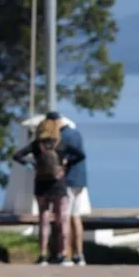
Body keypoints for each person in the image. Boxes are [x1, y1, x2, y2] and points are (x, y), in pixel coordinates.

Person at [12, 117, 85, 266]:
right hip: (59, 185)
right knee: (63, 220)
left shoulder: (36, 145)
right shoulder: (62, 144)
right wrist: (66, 165)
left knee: (44, 220)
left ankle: (43, 255)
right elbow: (81, 155)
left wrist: (32, 164)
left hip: (41, 186)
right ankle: (63, 254)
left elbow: (17, 156)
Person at [48, 112, 89, 266]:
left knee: (65, 218)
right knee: (75, 217)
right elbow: (81, 155)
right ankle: (80, 255)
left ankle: (65, 255)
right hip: (80, 180)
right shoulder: (76, 133)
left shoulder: (62, 137)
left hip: (69, 181)